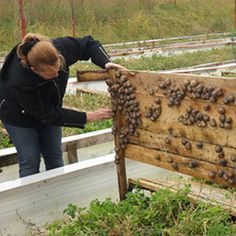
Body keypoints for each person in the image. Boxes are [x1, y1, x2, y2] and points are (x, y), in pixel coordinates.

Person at [0, 33, 124, 178]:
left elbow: (89, 44)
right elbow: (48, 115)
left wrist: (106, 63)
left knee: (54, 155)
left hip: (48, 107)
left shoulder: (60, 48)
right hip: (17, 114)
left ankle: (57, 197)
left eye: (58, 69)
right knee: (30, 159)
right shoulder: (20, 81)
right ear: (35, 70)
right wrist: (88, 116)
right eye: (50, 74)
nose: (57, 75)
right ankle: (34, 199)